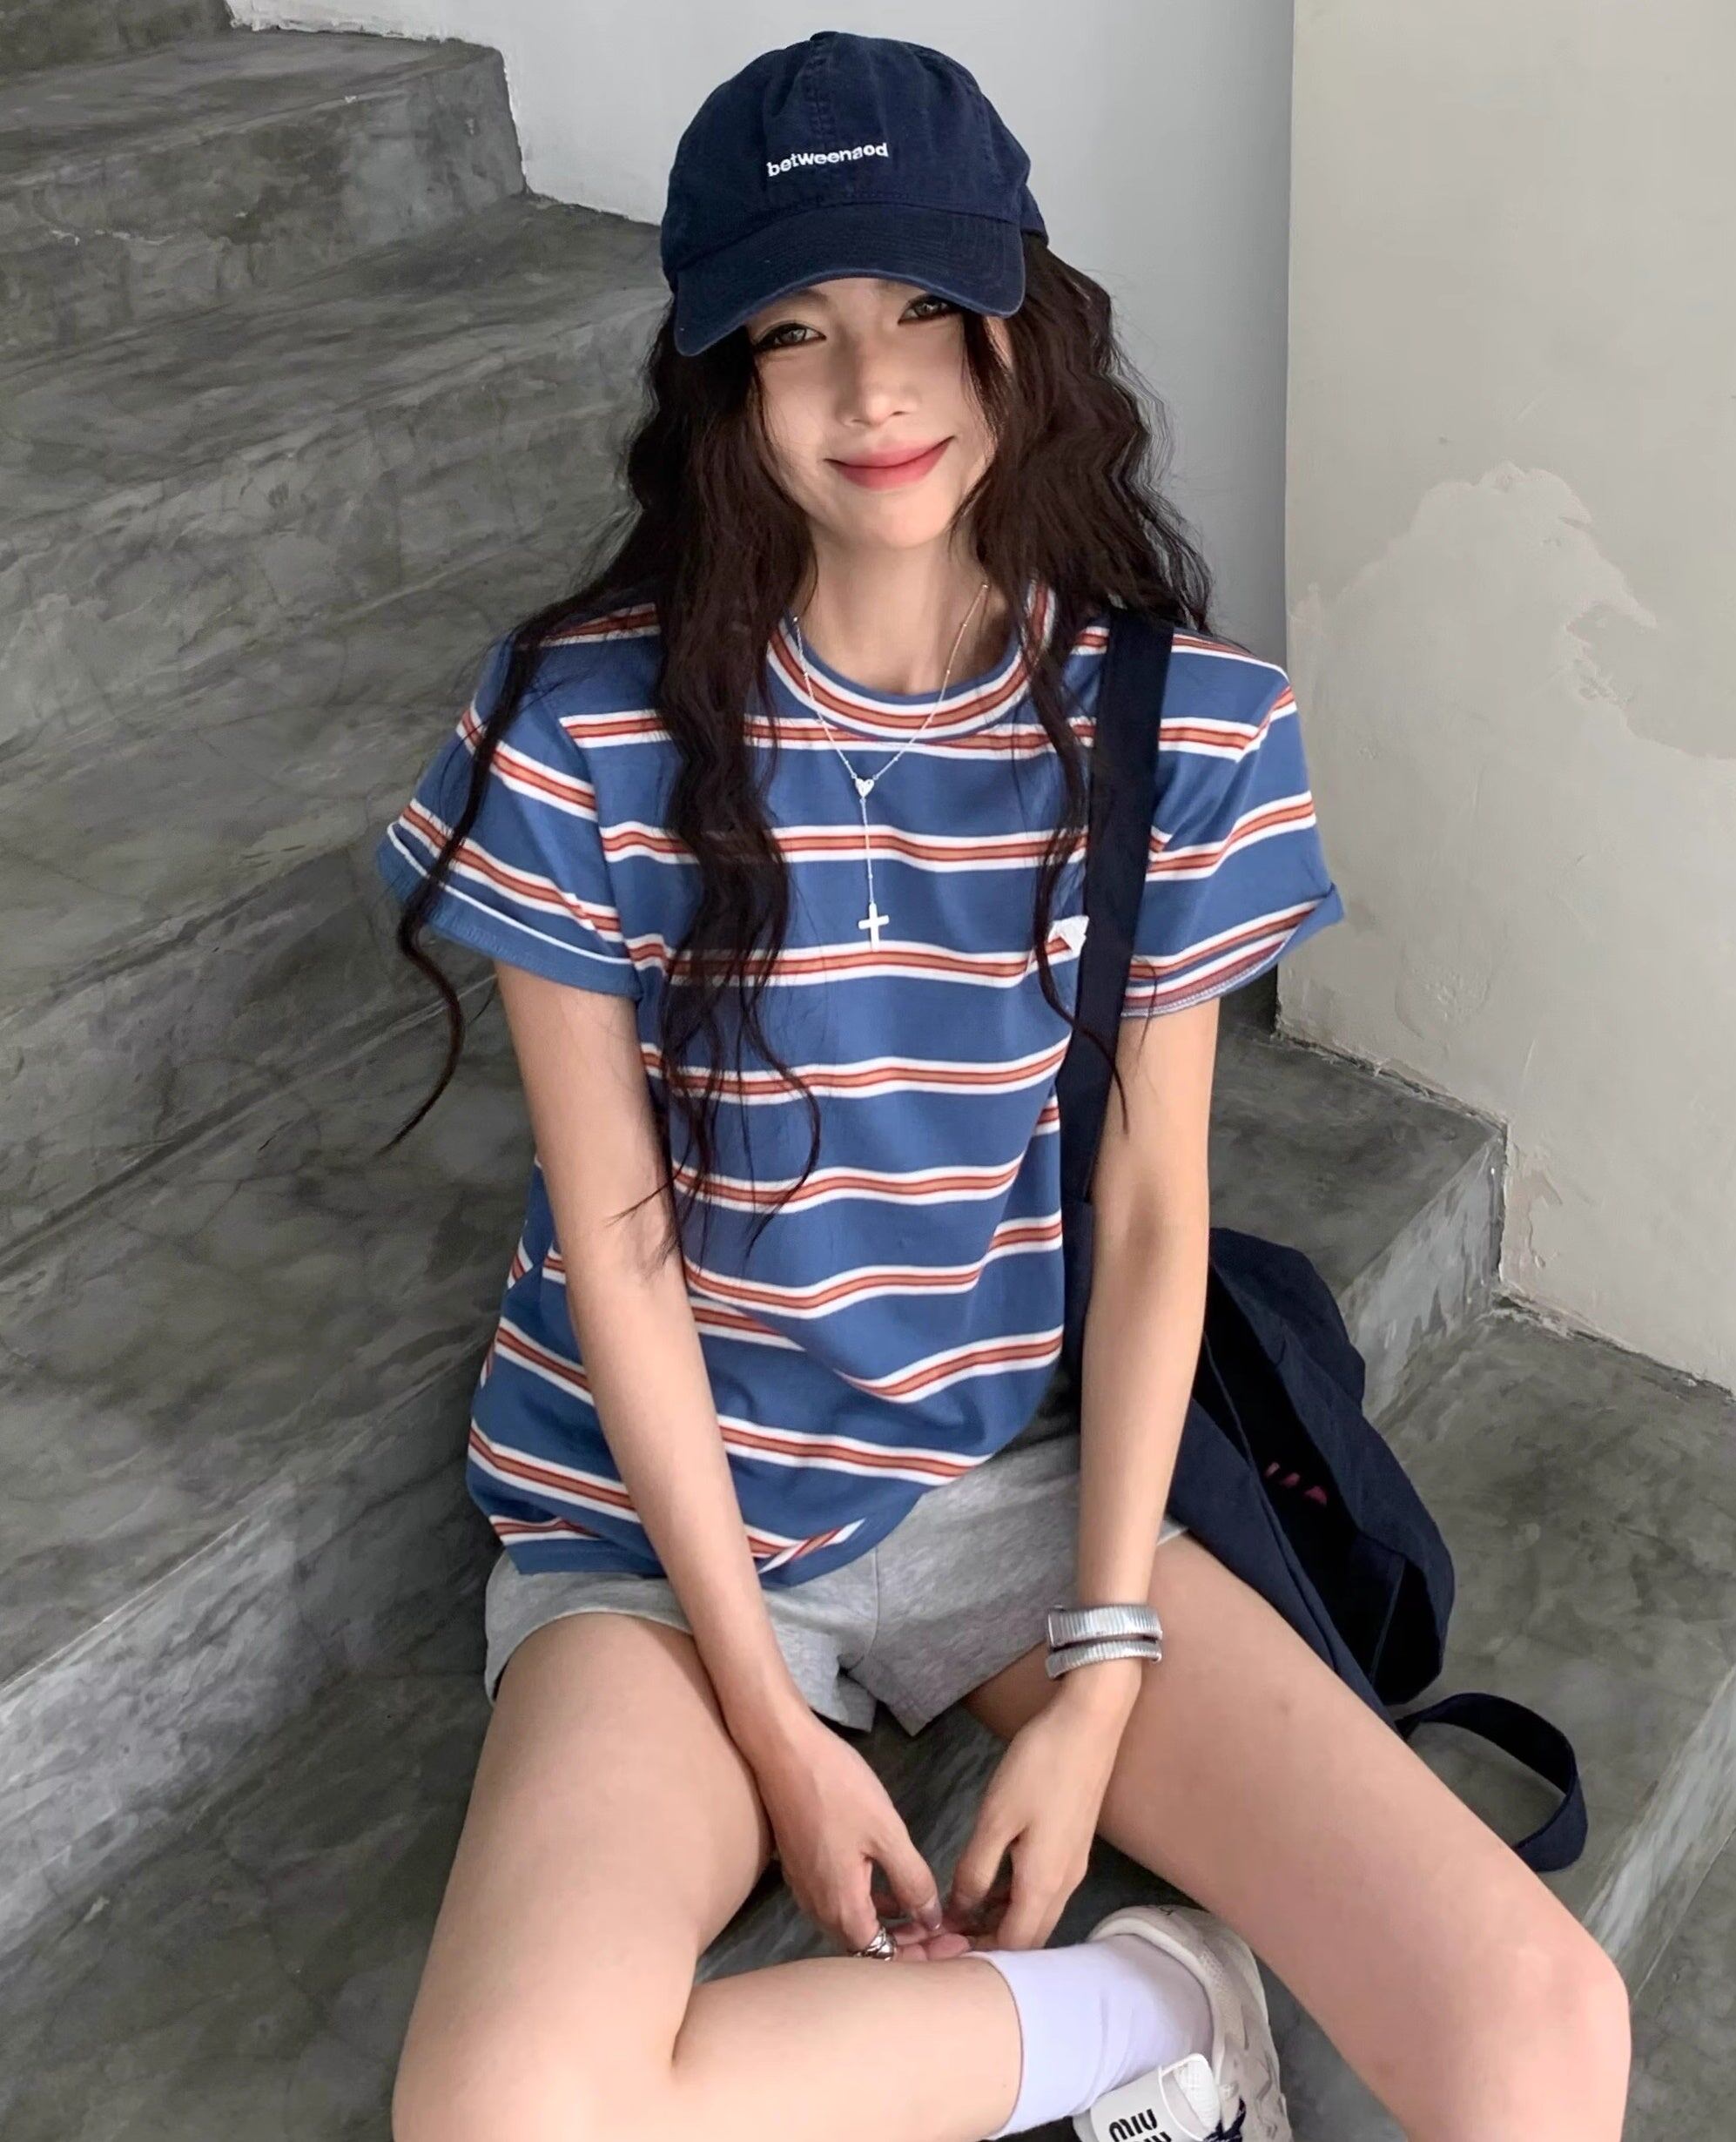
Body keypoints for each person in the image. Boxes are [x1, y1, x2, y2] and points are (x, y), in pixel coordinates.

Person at [379, 30, 1630, 2142]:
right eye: (798, 330)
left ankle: (1158, 1977)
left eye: (930, 311)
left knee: (1538, 2033)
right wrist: (770, 1725)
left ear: (1022, 326)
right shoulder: (578, 727)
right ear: (721, 380)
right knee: (505, 2114)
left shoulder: (1189, 734)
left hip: (1009, 1480)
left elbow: (1146, 1221)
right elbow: (618, 1246)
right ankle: (1144, 2012)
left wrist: (1106, 1659)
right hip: (657, 1529)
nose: (875, 389)